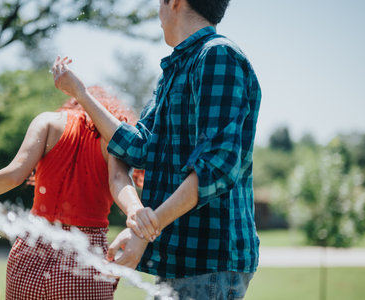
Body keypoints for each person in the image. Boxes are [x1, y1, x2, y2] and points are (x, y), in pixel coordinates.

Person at [51, 0, 262, 298]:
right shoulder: (175, 69)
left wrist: (146, 228)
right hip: (179, 258)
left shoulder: (218, 56)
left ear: (174, 2)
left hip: (208, 260)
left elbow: (216, 166)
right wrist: (80, 94)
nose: (157, 14)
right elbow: (140, 147)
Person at [0, 86, 159, 300]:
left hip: (31, 251)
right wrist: (136, 213)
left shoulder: (47, 122)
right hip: (84, 255)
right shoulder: (112, 135)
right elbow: (118, 180)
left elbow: (14, 175)